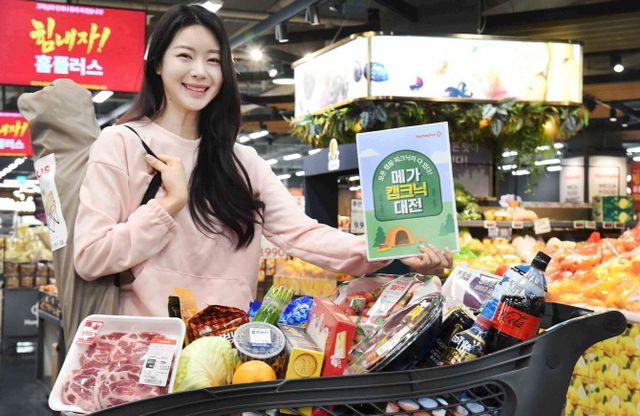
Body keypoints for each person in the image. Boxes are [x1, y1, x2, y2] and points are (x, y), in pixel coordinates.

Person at [74, 2, 452, 317]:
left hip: (226, 351)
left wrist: (390, 248)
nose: (199, 72)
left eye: (213, 60)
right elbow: (90, 257)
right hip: (146, 352)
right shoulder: (121, 144)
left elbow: (302, 235)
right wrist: (168, 205)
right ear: (157, 64)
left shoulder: (243, 161)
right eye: (184, 56)